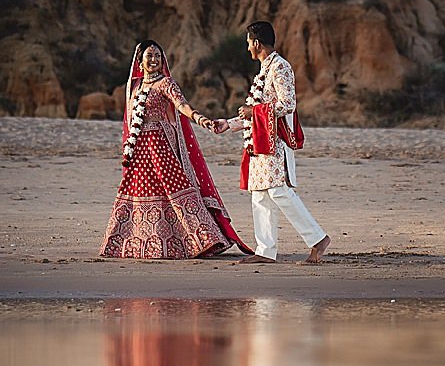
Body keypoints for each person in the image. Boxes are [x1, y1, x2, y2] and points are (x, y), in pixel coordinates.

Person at [99, 40, 250, 259]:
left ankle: (204, 240)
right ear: (140, 61)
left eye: (158, 56)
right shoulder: (134, 86)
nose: (154, 60)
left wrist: (201, 119)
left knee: (174, 188)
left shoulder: (166, 83)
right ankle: (134, 242)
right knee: (139, 190)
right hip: (140, 149)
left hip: (160, 146)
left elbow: (182, 106)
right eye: (149, 56)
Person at [226, 21, 330, 264]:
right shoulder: (264, 69)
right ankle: (265, 251)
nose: (248, 48)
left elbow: (287, 104)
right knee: (260, 195)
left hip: (274, 143)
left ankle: (317, 239)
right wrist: (228, 124)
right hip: (259, 143)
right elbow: (254, 113)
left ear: (256, 43)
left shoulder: (280, 67)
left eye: (248, 44)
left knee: (278, 192)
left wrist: (254, 111)